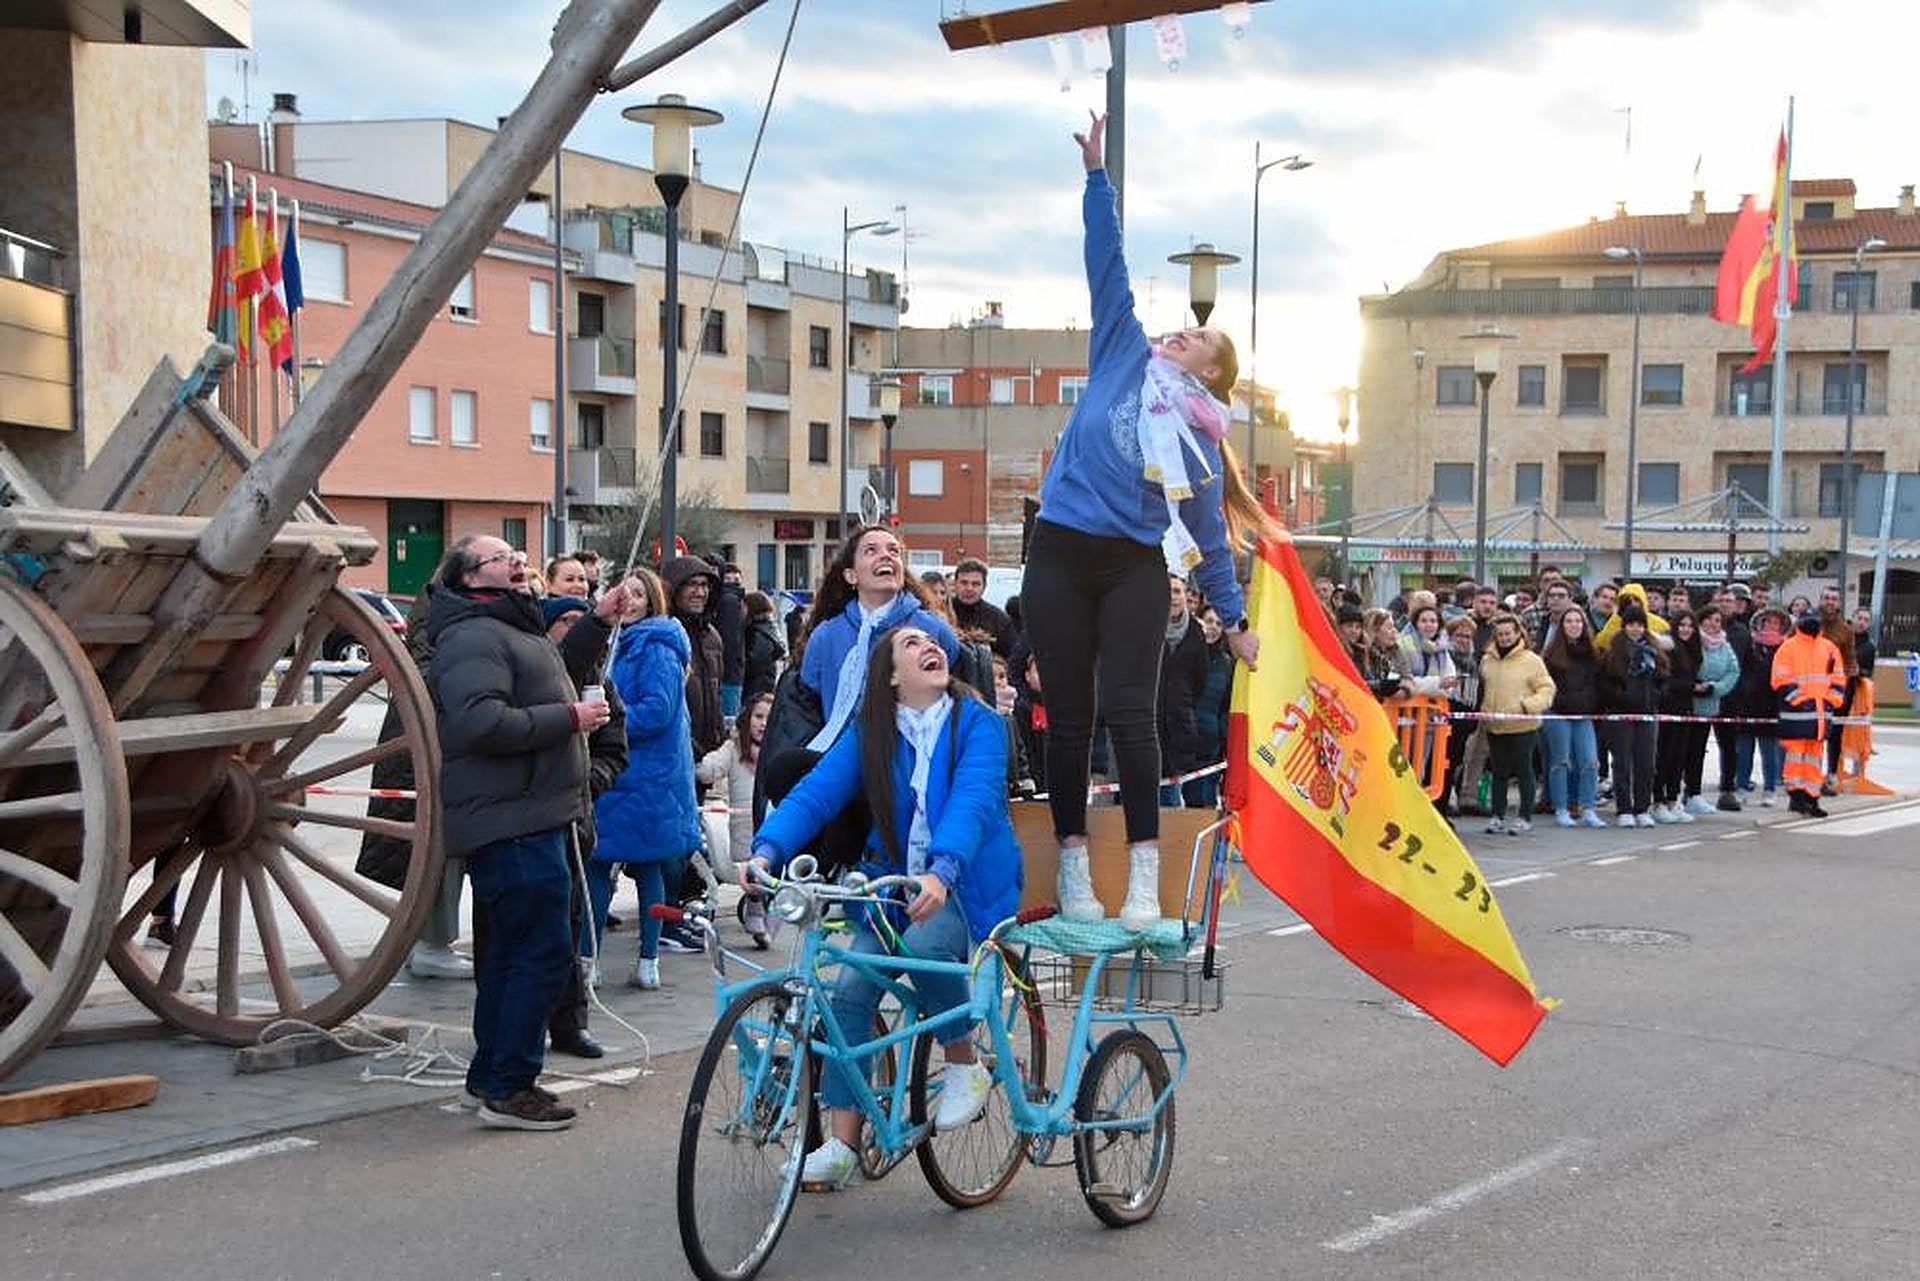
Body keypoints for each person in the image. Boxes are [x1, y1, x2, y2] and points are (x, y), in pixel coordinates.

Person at [1021, 112, 1268, 932]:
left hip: (1130, 564)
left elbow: (1204, 537)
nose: (1181, 333)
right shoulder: (1124, 345)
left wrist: (1233, 622)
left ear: (1213, 372)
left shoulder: (1200, 434)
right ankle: (1075, 865)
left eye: (1197, 336)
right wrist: (1096, 175)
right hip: (1059, 548)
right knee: (1068, 713)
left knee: (1131, 710)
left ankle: (1144, 872)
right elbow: (1108, 260)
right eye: (1185, 328)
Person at [744, 626, 1023, 1190]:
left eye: (933, 641)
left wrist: (941, 872)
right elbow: (817, 792)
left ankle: (965, 1061)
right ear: (890, 674)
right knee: (848, 991)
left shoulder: (979, 724)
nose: (930, 647)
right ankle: (844, 1145)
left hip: (965, 883)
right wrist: (767, 849)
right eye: (913, 643)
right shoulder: (872, 732)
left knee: (925, 946)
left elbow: (972, 800)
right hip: (891, 885)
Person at [426, 534, 626, 1131]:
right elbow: (480, 721)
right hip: (512, 821)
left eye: (516, 553)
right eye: (498, 557)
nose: (517, 560)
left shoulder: (510, 627)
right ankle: (512, 1087)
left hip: (529, 816)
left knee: (512, 956)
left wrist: (596, 621)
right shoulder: (470, 636)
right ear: (469, 579)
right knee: (539, 955)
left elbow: (552, 673)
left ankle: (490, 1074)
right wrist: (571, 719)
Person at [761, 527, 961, 871]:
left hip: (905, 761)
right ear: (851, 575)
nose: (886, 556)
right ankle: (802, 879)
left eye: (893, 551)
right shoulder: (826, 635)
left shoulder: (931, 630)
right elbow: (808, 707)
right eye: (871, 550)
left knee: (855, 790)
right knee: (787, 771)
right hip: (842, 754)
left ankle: (833, 880)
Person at [590, 567, 703, 991]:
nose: (631, 600)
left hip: (647, 774)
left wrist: (607, 721)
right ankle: (591, 959)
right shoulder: (611, 641)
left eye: (639, 593)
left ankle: (648, 958)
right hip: (616, 771)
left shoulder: (658, 646)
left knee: (647, 865)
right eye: (625, 592)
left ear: (653, 600)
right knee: (599, 864)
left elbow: (658, 710)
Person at [527, 594, 626, 1058]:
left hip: (576, 818)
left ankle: (570, 1024)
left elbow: (614, 746)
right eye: (564, 620)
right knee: (518, 932)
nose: (573, 627)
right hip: (527, 818)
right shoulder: (529, 675)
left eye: (578, 619)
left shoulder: (597, 679)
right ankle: (518, 1031)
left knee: (568, 926)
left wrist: (593, 779)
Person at [698, 693, 775, 949]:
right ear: (747, 719)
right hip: (744, 832)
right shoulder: (733, 749)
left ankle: (763, 909)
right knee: (754, 866)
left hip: (773, 826)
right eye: (758, 717)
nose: (763, 723)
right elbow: (710, 769)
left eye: (769, 718)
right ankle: (756, 909)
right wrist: (698, 761)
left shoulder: (778, 750)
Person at [1476, 614, 1554, 835]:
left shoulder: (1531, 660)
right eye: (1500, 634)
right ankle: (1497, 816)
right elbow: (1483, 688)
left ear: (1518, 633)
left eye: (1508, 633)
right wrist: (1482, 708)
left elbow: (1546, 689)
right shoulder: (1487, 660)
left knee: (1523, 771)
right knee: (1498, 772)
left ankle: (1524, 816)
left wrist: (1527, 706)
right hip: (1495, 726)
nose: (1504, 638)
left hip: (1523, 726)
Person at [1598, 603, 1667, 826]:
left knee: (1646, 763)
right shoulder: (1614, 651)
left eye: (1639, 624)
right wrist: (1621, 697)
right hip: (1620, 714)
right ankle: (1624, 808)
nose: (1635, 629)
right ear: (1624, 626)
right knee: (1622, 762)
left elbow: (1664, 679)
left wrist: (1655, 696)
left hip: (1647, 714)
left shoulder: (1654, 650)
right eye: (1631, 624)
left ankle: (1642, 807)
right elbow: (1605, 683)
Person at [1772, 609, 1844, 816]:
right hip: (1798, 715)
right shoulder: (1788, 647)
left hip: (1820, 716)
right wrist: (1803, 702)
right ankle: (1796, 798)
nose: (1811, 623)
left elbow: (1838, 678)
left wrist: (1831, 701)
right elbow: (1781, 679)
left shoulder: (1829, 648)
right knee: (1795, 758)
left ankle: (1812, 798)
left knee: (1814, 760)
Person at [1539, 606, 1605, 828]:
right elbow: (1546, 687)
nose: (1574, 625)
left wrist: (1591, 704)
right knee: (1561, 761)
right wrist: (1561, 702)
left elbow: (1597, 685)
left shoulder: (1592, 654)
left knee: (1589, 760)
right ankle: (1561, 807)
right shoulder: (1550, 655)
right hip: (1557, 714)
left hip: (1583, 714)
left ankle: (1587, 808)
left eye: (1578, 621)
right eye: (1569, 621)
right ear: (1562, 626)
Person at [1156, 575, 1210, 807]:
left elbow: (1201, 678)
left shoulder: (1196, 632)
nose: (1173, 597)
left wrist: (1183, 702)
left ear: (1186, 596)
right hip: (1148, 723)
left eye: (1177, 591)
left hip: (1179, 728)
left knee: (1170, 801)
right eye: (1168, 591)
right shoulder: (1146, 627)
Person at [1685, 605, 1740, 816]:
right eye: (1708, 619)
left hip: (1710, 704)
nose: (1713, 624)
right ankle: (1680, 793)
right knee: (1684, 752)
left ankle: (1694, 794)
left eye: (1717, 620)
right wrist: (1694, 685)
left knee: (1699, 751)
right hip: (1688, 704)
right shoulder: (1692, 641)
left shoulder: (1725, 647)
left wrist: (1715, 688)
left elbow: (1733, 672)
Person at [1735, 607, 1790, 806]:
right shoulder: (1750, 644)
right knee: (1743, 751)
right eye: (1767, 622)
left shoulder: (1784, 649)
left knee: (1770, 752)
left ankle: (1769, 789)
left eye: (1775, 623)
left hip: (1771, 707)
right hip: (1747, 706)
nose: (1770, 626)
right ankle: (1741, 787)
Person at [1651, 610, 1701, 824]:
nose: (1686, 629)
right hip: (1668, 709)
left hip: (1685, 709)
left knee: (1679, 758)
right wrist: (1693, 687)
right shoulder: (1669, 648)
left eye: (1690, 625)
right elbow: (1666, 680)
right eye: (1682, 625)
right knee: (1664, 757)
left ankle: (1673, 800)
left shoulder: (1693, 648)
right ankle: (1658, 802)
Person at [1189, 605, 1234, 810]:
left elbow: (1225, 708)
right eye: (1208, 621)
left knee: (1204, 808)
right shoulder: (1184, 654)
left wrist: (1224, 743)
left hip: (1210, 750)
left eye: (1218, 623)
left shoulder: (1226, 664)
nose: (1213, 627)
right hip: (1182, 745)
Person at [1439, 615, 1483, 816]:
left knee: (1454, 766)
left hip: (1465, 724)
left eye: (1468, 636)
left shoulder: (1473, 663)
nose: (1463, 640)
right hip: (1444, 722)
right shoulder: (1443, 658)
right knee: (1440, 768)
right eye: (1458, 635)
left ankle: (1447, 806)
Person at [1818, 585, 1859, 788]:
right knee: (1813, 732)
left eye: (1834, 599)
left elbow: (1850, 660)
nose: (1830, 602)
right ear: (1820, 600)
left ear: (1839, 603)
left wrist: (1848, 685)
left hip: (1836, 687)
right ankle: (1812, 773)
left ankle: (1832, 772)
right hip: (1811, 687)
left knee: (1835, 732)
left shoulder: (1846, 630)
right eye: (1827, 598)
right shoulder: (1808, 623)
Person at [951, 557, 1015, 657]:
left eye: (975, 584)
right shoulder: (941, 613)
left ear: (984, 587)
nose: (969, 588)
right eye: (964, 583)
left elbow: (1012, 657)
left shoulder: (999, 619)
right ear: (955, 584)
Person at [1397, 604, 1458, 696]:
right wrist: (1436, 684)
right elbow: (1401, 680)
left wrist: (1446, 683)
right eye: (1423, 621)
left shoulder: (1442, 649)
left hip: (1436, 706)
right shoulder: (1404, 645)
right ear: (1416, 624)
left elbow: (1449, 680)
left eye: (1433, 621)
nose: (1429, 624)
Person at [713, 560, 748, 720]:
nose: (734, 583)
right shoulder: (731, 601)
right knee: (730, 717)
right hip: (730, 673)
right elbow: (731, 640)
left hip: (727, 671)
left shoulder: (723, 599)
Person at [742, 590, 785, 702]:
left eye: (744, 606)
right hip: (761, 686)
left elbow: (755, 663)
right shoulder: (765, 628)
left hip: (757, 689)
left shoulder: (759, 632)